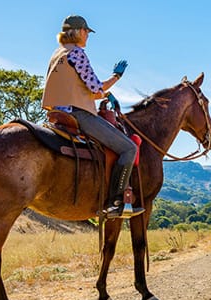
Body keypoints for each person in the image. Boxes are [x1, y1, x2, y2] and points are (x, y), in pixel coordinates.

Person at [42, 15, 144, 219]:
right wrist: (117, 77)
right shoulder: (77, 53)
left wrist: (106, 95)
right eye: (87, 32)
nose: (88, 36)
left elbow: (83, 89)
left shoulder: (58, 54)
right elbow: (96, 86)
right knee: (128, 148)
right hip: (78, 113)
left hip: (57, 113)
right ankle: (115, 202)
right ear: (79, 31)